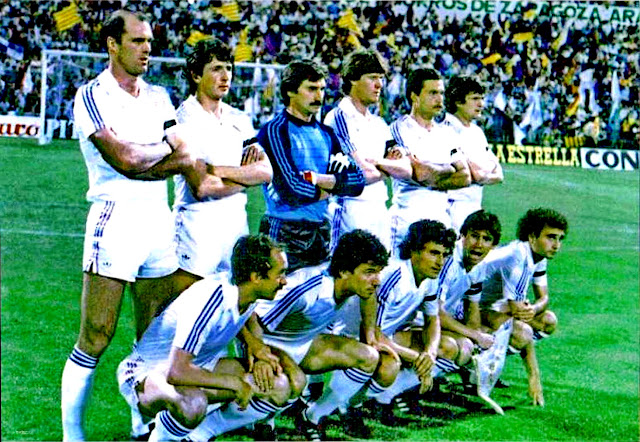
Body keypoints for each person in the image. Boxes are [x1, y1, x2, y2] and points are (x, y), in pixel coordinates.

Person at [61, 8, 202, 441]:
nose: (147, 50)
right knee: (97, 335)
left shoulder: (159, 96)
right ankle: (73, 435)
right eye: (139, 41)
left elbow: (186, 156)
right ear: (113, 44)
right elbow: (120, 160)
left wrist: (143, 159)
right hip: (114, 216)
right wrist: (152, 154)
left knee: (154, 334)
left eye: (150, 42)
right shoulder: (92, 95)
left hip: (158, 220)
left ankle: (143, 424)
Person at [187, 229, 389, 442]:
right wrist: (258, 355)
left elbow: (370, 297)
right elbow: (250, 314)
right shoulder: (305, 289)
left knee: (368, 356)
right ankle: (209, 430)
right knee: (294, 383)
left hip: (304, 344)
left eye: (377, 272)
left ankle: (312, 416)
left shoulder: (353, 287)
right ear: (344, 271)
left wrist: (371, 334)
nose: (376, 280)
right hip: (270, 343)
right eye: (369, 272)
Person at [116, 234, 297, 441]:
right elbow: (176, 372)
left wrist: (257, 351)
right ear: (256, 277)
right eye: (280, 274)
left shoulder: (248, 294)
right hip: (147, 373)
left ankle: (198, 436)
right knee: (193, 404)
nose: (284, 281)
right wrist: (233, 382)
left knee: (278, 386)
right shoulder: (210, 299)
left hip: (197, 367)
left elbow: (241, 321)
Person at [173, 38, 272, 284]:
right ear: (196, 75)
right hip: (197, 226)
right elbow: (203, 187)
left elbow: (266, 171)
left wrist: (216, 170)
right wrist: (245, 175)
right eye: (217, 69)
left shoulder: (239, 118)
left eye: (228, 68)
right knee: (189, 310)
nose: (225, 76)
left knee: (234, 311)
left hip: (236, 224)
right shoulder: (183, 119)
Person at [342, 220, 457, 423]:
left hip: (388, 336)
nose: (440, 261)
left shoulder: (430, 279)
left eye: (444, 255)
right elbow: (374, 334)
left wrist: (429, 353)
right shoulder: (394, 276)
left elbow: (433, 321)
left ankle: (384, 397)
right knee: (389, 367)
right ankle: (349, 406)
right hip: (356, 337)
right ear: (414, 250)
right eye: (433, 253)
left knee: (447, 347)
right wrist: (417, 357)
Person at [257, 59, 366, 273]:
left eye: (322, 89)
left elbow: (357, 181)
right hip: (284, 230)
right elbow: (291, 190)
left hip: (321, 230)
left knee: (316, 300)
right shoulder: (274, 131)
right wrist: (333, 188)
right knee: (278, 299)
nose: (319, 96)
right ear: (290, 91)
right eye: (311, 89)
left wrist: (317, 181)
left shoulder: (327, 134)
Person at [323, 49, 411, 252]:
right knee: (347, 275)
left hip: (380, 208)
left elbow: (406, 170)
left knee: (377, 278)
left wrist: (376, 164)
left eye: (381, 78)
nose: (380, 84)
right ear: (353, 79)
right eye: (373, 78)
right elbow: (360, 174)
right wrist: (388, 168)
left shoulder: (380, 124)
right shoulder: (339, 117)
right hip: (350, 208)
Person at [479, 207, 568, 406]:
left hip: (492, 306)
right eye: (551, 237)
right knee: (523, 333)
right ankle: (481, 365)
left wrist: (532, 309)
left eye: (560, 239)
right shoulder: (518, 258)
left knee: (547, 321)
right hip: (465, 306)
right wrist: (534, 376)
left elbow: (544, 298)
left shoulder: (537, 256)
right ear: (532, 236)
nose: (556, 245)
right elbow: (518, 314)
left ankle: (490, 358)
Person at [388, 68, 471, 255]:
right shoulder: (398, 129)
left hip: (441, 221)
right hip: (407, 222)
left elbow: (465, 176)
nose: (439, 99)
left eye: (441, 93)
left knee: (436, 283)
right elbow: (420, 173)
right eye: (433, 93)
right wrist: (449, 168)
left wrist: (432, 177)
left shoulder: (447, 133)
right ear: (414, 96)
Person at [437, 210, 502, 368]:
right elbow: (435, 312)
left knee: (490, 334)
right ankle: (414, 387)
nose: (479, 244)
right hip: (419, 322)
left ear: (493, 246)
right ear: (462, 235)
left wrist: (478, 335)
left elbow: (472, 309)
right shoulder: (448, 260)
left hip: (439, 322)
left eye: (486, 239)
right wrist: (475, 336)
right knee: (463, 346)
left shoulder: (479, 266)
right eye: (474, 236)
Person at [443, 76, 503, 233]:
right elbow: (477, 174)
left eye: (482, 99)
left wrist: (482, 175)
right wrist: (483, 173)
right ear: (458, 101)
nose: (481, 104)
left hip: (474, 204)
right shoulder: (446, 129)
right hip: (452, 205)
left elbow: (499, 174)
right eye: (475, 99)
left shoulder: (477, 132)